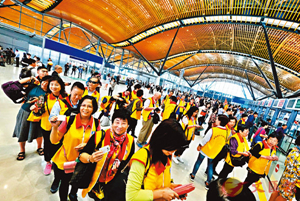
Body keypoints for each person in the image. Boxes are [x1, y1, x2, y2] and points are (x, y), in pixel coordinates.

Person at [49, 96, 100, 201]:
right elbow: (54, 141)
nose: (85, 108)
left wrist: (86, 146)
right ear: (79, 106)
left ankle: (73, 195)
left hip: (83, 162)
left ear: (94, 109)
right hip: (66, 159)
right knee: (65, 183)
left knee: (76, 181)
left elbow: (98, 143)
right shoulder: (69, 120)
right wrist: (54, 127)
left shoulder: (96, 123)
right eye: (83, 105)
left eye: (89, 106)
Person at [79, 109, 135, 201]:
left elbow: (127, 162)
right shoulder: (100, 136)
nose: (120, 126)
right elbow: (82, 155)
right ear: (112, 122)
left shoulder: (130, 141)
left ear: (128, 125)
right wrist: (90, 158)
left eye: (124, 123)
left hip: (113, 181)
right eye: (117, 122)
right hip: (96, 178)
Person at [126, 118, 187, 201]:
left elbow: (161, 178)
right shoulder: (141, 158)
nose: (172, 152)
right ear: (161, 140)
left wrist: (172, 187)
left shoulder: (166, 155)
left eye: (175, 149)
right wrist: (162, 194)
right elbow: (131, 196)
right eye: (171, 148)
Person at [31, 76, 68, 175]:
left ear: (61, 86)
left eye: (56, 84)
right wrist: (35, 110)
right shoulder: (43, 97)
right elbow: (37, 113)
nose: (54, 87)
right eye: (51, 84)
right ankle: (48, 162)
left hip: (61, 128)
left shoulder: (66, 98)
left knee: (59, 145)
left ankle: (57, 162)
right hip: (47, 126)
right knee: (47, 145)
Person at [12, 72, 51, 160]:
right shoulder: (32, 86)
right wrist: (31, 77)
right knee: (22, 131)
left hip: (39, 114)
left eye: (47, 83)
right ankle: (22, 150)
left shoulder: (49, 93)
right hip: (25, 112)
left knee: (39, 132)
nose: (44, 84)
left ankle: (39, 147)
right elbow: (16, 84)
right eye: (44, 81)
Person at [189, 115, 229, 189]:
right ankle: (208, 182)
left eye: (217, 119)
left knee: (199, 161)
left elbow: (205, 140)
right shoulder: (226, 133)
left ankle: (193, 175)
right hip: (214, 152)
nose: (215, 120)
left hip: (205, 149)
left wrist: (200, 145)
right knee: (210, 166)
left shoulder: (213, 130)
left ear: (220, 121)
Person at [269, 136, 300, 201]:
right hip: (292, 182)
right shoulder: (299, 154)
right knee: (283, 198)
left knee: (278, 192)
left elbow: (286, 163)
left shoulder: (293, 150)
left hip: (285, 177)